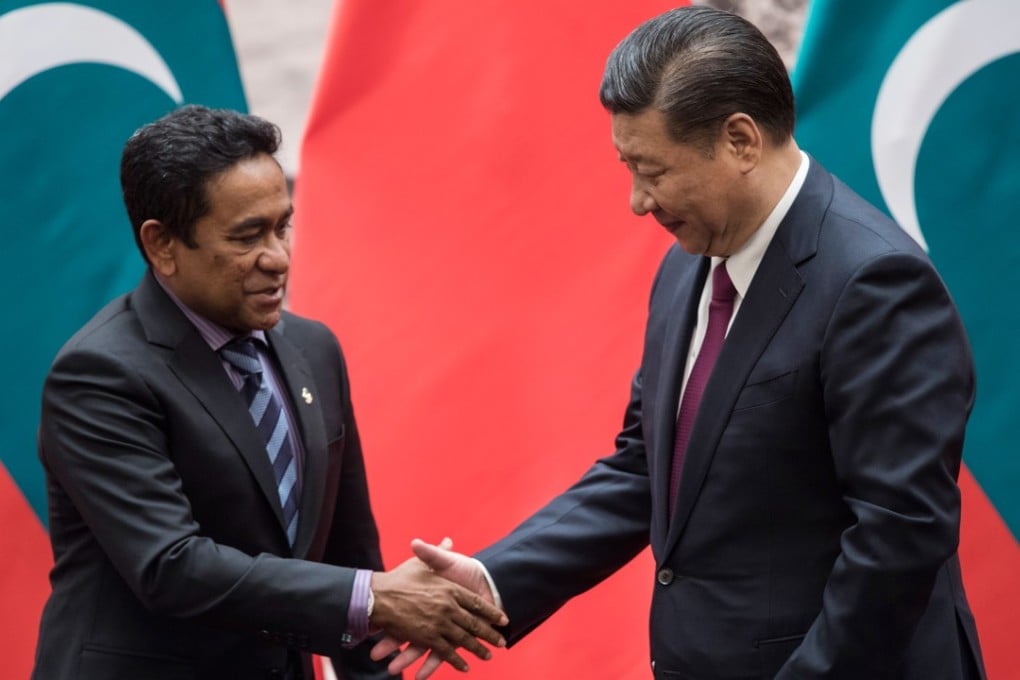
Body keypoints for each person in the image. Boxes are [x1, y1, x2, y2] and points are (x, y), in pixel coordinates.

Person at [375, 6, 986, 679]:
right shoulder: (690, 263)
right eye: (628, 168)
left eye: (654, 171)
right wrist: (495, 581)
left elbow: (897, 540)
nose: (638, 201)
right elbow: (648, 467)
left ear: (741, 140)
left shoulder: (874, 284)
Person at [32, 105, 506, 680]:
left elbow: (347, 555)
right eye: (247, 236)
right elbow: (171, 567)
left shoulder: (313, 349)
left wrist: (374, 635)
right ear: (162, 245)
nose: (278, 258)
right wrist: (376, 597)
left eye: (282, 225)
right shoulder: (100, 374)